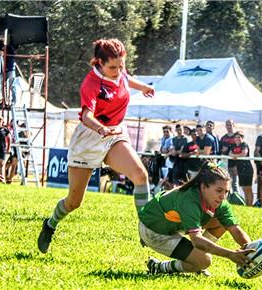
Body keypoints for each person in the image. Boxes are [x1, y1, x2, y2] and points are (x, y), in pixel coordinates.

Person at [37, 38, 155, 254]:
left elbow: (127, 79)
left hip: (115, 133)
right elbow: (86, 115)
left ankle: (147, 229)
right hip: (89, 138)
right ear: (99, 63)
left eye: (121, 65)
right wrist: (101, 129)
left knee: (140, 176)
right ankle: (50, 224)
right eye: (112, 67)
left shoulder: (119, 71)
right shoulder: (91, 84)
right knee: (74, 202)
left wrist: (144, 87)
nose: (118, 71)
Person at [139, 161, 255, 276]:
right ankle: (159, 267)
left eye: (226, 192)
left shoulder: (219, 202)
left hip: (170, 225)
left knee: (221, 223)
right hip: (153, 230)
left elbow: (235, 230)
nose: (223, 196)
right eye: (219, 191)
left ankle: (197, 257)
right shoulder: (189, 200)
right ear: (203, 187)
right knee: (204, 261)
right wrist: (230, 254)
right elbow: (196, 240)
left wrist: (254, 251)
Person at [228, 131, 254, 206]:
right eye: (236, 137)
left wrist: (235, 156)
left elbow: (244, 154)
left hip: (247, 168)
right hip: (239, 168)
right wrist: (235, 156)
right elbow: (230, 153)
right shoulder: (233, 146)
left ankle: (250, 205)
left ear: (242, 138)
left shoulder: (244, 145)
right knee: (244, 188)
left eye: (239, 137)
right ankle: (247, 204)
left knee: (248, 188)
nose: (237, 139)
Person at [0, 35, 18, 105]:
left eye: (3, 38)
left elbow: (13, 55)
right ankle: (3, 101)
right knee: (2, 85)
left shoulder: (10, 46)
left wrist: (5, 54)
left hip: (10, 68)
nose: (2, 39)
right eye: (1, 38)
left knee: (12, 85)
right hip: (2, 68)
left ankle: (14, 102)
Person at [220, 120, 239, 196]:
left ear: (233, 125)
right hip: (225, 163)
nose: (229, 126)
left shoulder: (237, 136)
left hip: (234, 163)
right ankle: (228, 198)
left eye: (230, 125)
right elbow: (220, 150)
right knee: (225, 182)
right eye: (227, 125)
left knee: (234, 183)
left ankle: (237, 199)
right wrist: (223, 150)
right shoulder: (223, 138)